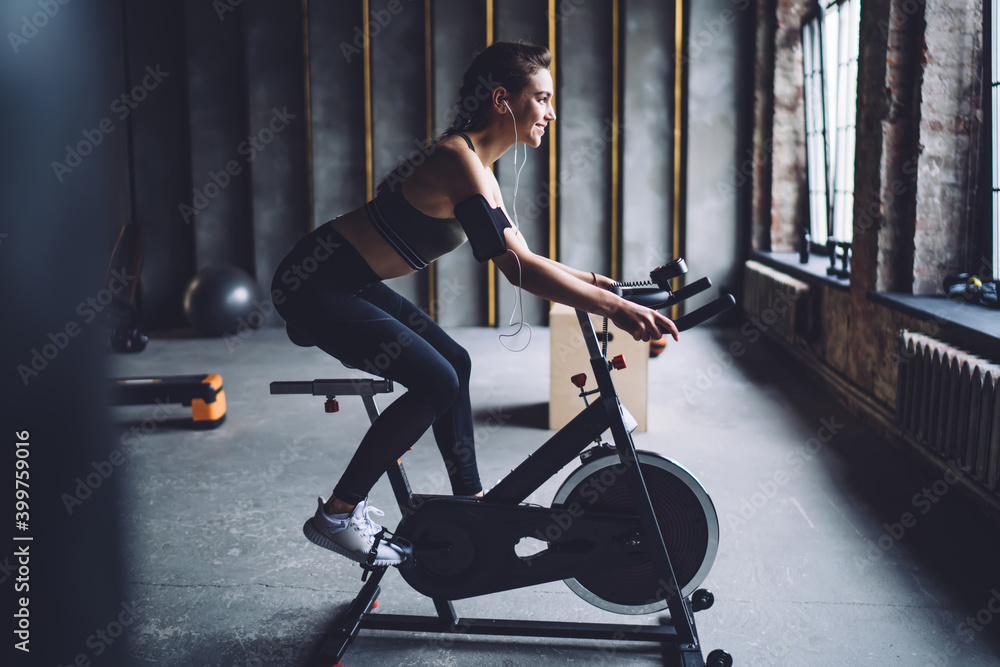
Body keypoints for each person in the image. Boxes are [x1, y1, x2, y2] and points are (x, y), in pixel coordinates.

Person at [271, 41, 678, 566]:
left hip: (349, 282)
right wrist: (612, 308)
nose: (552, 114)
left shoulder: (478, 168)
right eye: (544, 98)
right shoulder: (456, 160)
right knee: (435, 381)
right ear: (503, 99)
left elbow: (528, 256)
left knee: (456, 365)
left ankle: (471, 501)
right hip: (314, 285)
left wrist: (612, 288)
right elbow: (519, 271)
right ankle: (337, 514)